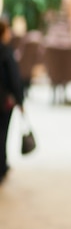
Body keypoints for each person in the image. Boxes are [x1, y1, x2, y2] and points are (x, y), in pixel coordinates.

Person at [0, 18, 25, 182]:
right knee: (2, 134)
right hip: (3, 102)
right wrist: (20, 101)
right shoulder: (6, 53)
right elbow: (14, 80)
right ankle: (1, 167)